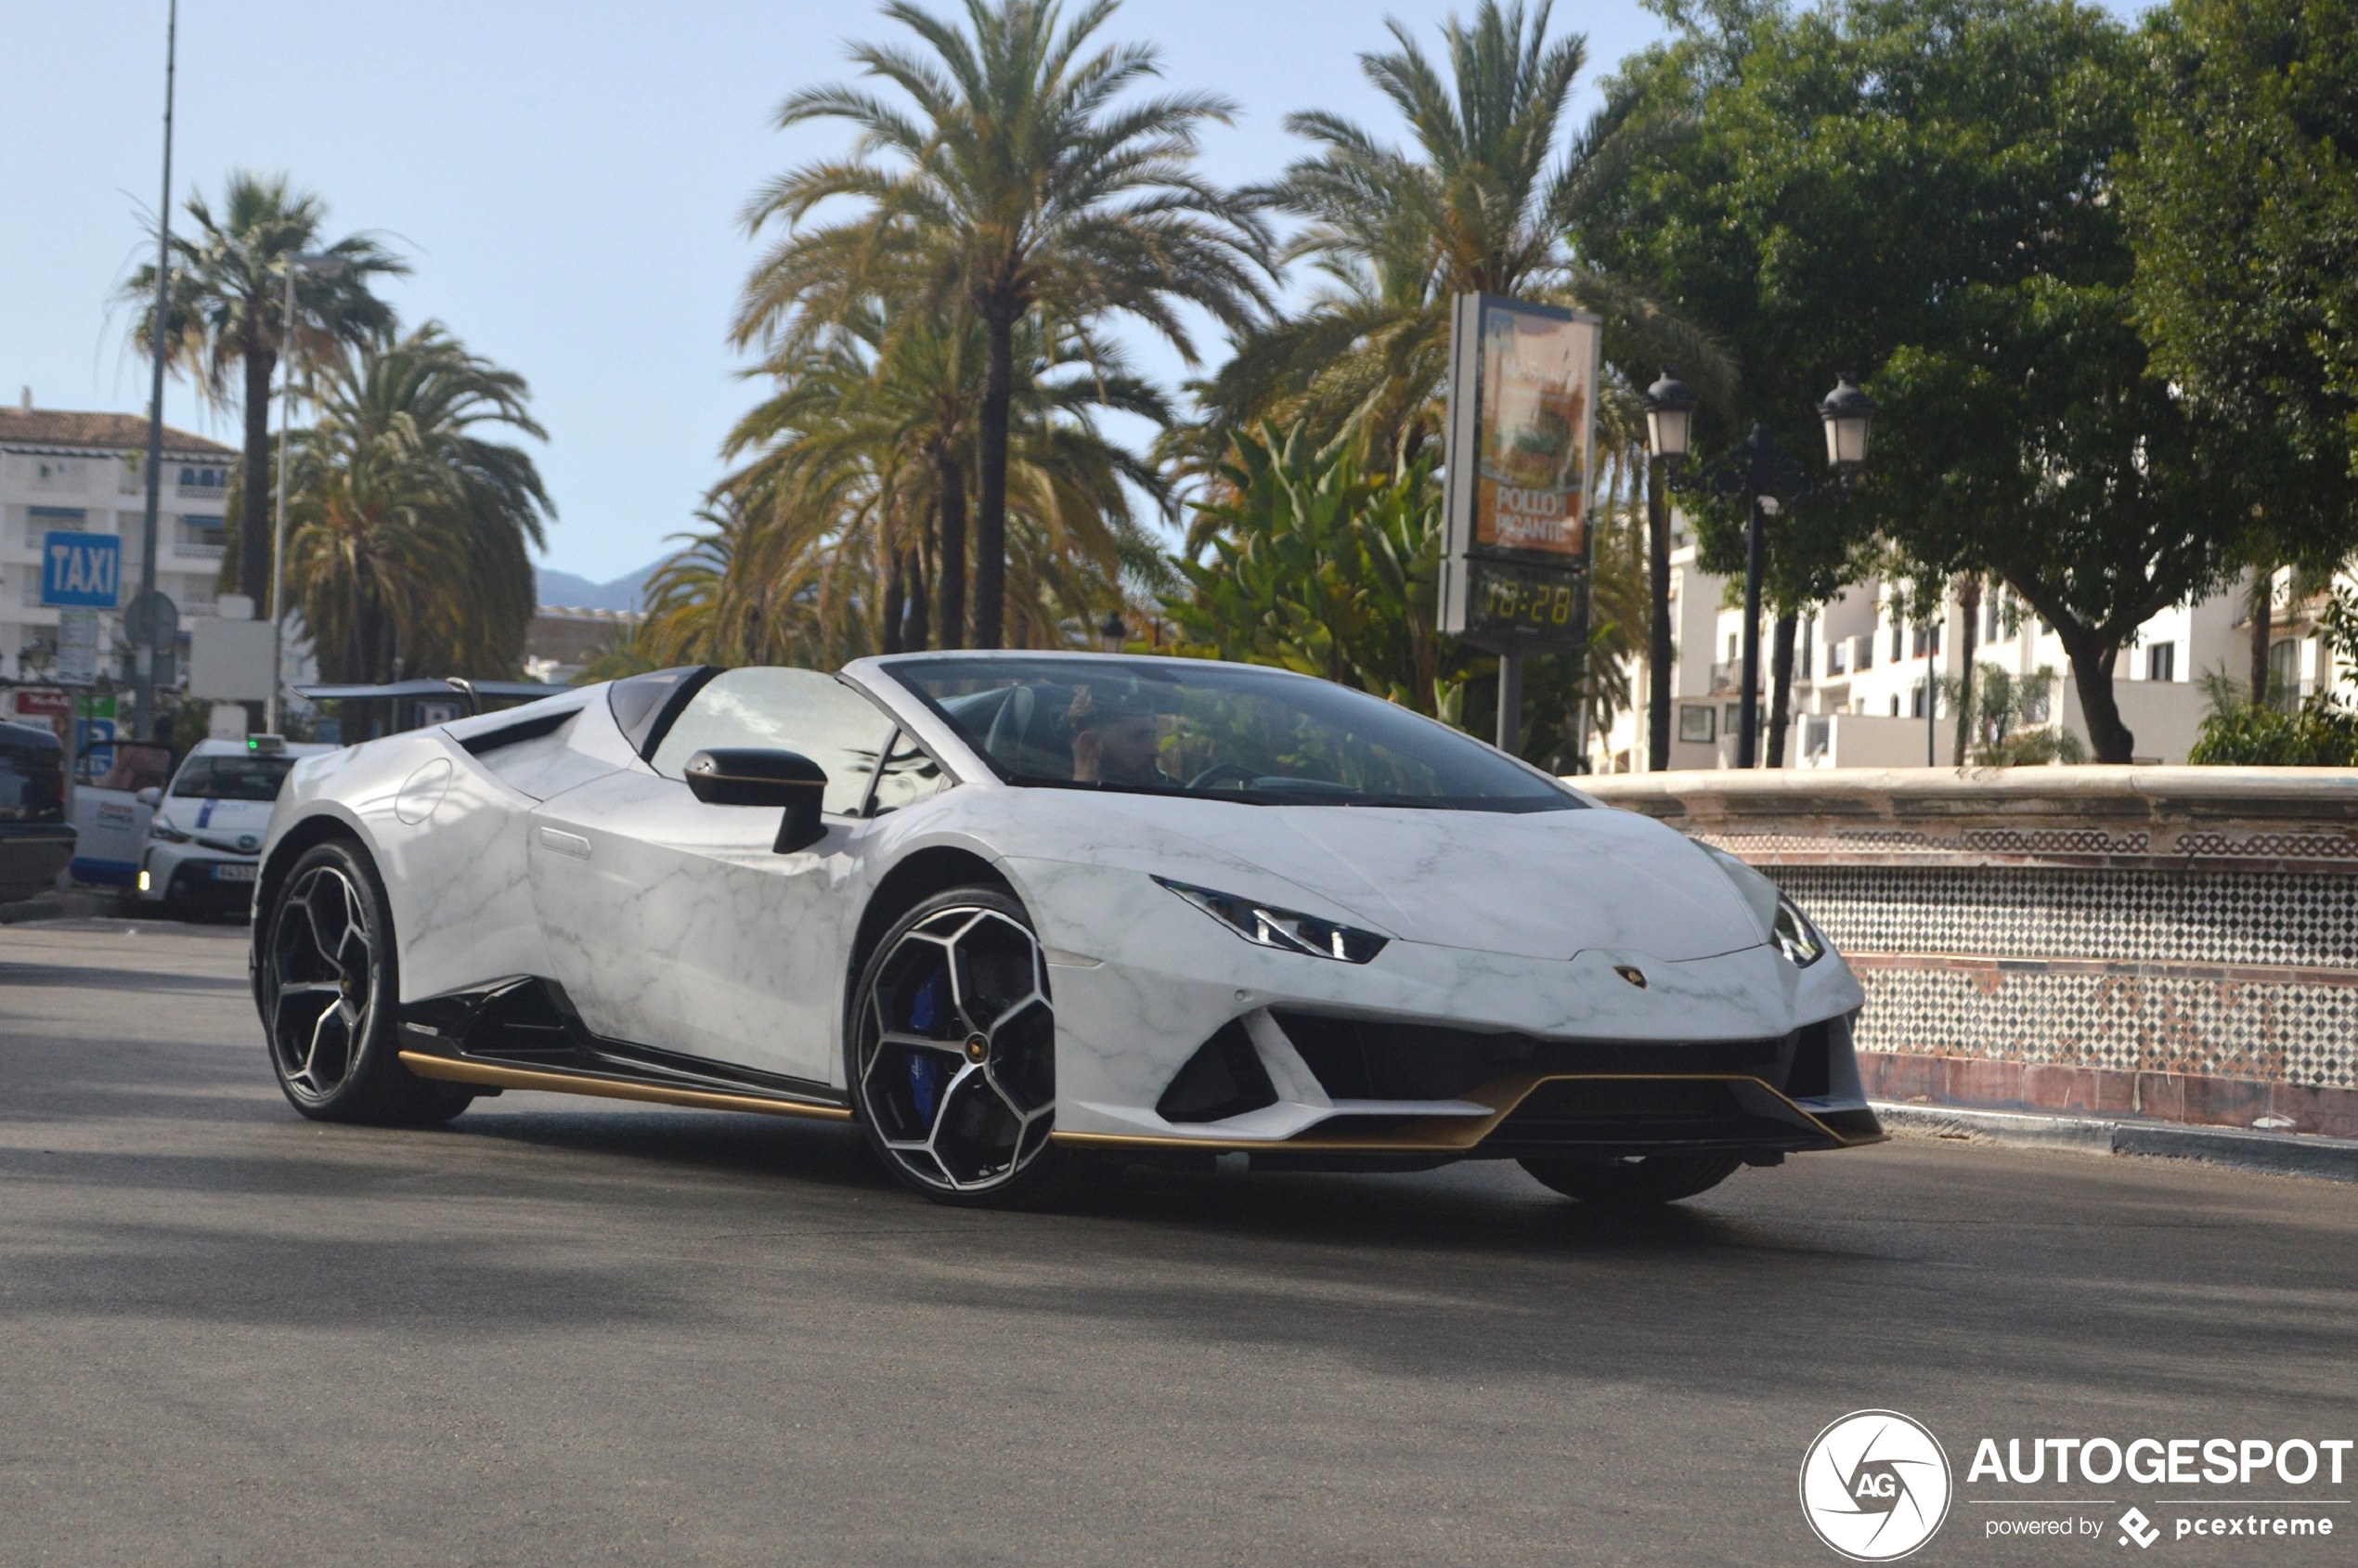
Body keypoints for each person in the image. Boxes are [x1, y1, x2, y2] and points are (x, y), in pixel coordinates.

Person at [1062, 683, 1174, 785]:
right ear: (1089, 744)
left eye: (1153, 736)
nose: (1155, 751)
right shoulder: (1059, 805)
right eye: (1139, 738)